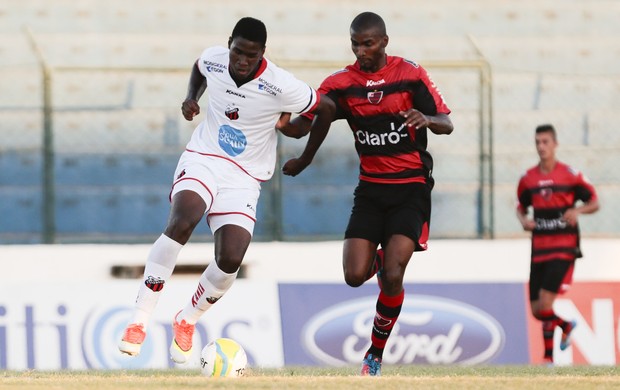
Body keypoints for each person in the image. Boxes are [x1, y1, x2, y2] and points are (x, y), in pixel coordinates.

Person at [118, 16, 335, 364]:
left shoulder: (281, 84)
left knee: (231, 258)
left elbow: (325, 108)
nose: (242, 61)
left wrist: (301, 147)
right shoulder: (215, 58)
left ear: (263, 52)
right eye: (237, 51)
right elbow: (199, 68)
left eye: (251, 55)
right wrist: (191, 99)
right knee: (182, 221)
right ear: (229, 42)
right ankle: (138, 322)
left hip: (245, 177)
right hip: (204, 157)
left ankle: (186, 320)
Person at [279, 12, 453, 376]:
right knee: (354, 275)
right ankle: (379, 257)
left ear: (384, 41)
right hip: (371, 191)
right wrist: (284, 124)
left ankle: (374, 354)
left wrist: (427, 120)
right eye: (356, 44)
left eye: (368, 43)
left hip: (410, 188)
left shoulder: (410, 74)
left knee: (392, 275)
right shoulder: (341, 84)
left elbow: (446, 123)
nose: (361, 51)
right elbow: (306, 123)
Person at [516, 124, 599, 365]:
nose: (541, 147)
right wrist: (524, 221)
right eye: (538, 142)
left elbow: (594, 201)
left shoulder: (570, 175)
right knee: (536, 309)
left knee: (545, 303)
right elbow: (520, 207)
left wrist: (577, 210)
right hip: (539, 248)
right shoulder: (528, 179)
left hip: (563, 247)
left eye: (545, 142)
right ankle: (566, 325)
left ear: (555, 144)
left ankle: (548, 358)